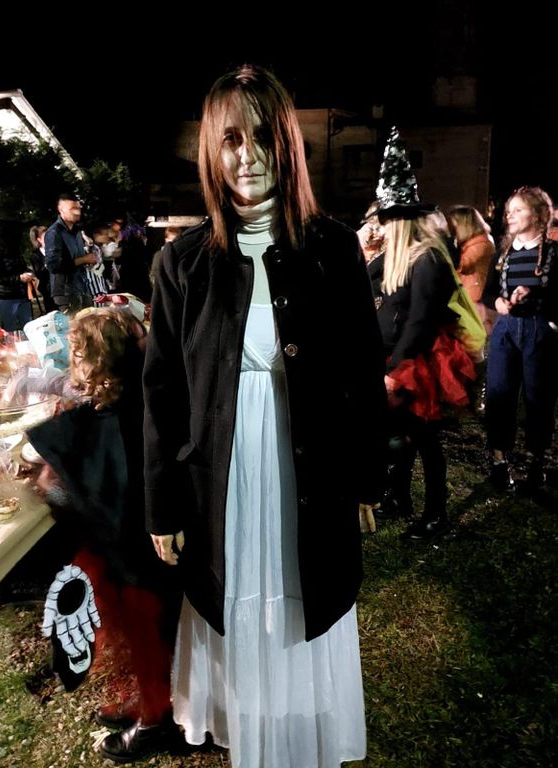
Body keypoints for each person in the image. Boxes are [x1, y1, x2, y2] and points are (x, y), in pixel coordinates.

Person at [143, 64, 388, 768]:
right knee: (236, 595)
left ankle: (294, 731)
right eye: (230, 140)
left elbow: (362, 371)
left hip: (308, 466)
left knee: (302, 590)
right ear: (211, 151)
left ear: (286, 143)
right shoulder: (181, 263)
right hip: (221, 476)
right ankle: (250, 728)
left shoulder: (333, 248)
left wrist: (367, 476)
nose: (247, 156)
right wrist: (163, 506)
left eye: (261, 137)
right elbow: (162, 393)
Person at [25, 308, 183, 762]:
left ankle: (156, 721)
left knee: (148, 641)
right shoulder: (147, 407)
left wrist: (46, 473)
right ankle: (153, 699)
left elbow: (59, 485)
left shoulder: (101, 423)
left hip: (134, 560)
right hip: (145, 552)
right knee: (151, 639)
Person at [367, 126, 475, 541]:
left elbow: (421, 320)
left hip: (418, 362)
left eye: (385, 221)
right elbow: (363, 282)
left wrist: (395, 371)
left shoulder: (427, 258)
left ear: (400, 222)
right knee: (396, 436)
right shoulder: (393, 257)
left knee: (425, 439)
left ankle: (436, 514)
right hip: (393, 357)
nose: (380, 227)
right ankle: (398, 497)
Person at [482, 186, 558, 493]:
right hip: (506, 331)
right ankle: (499, 461)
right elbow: (488, 292)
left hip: (539, 331)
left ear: (538, 215)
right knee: (499, 393)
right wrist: (498, 303)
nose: (510, 216)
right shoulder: (503, 254)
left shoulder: (553, 253)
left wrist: (538, 297)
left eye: (518, 210)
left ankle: (537, 462)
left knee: (538, 398)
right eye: (508, 211)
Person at [446, 205, 496, 334]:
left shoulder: (481, 244)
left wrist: (449, 243)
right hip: (469, 298)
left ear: (464, 225)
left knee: (477, 338)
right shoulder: (470, 243)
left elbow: (462, 265)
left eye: (454, 225)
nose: (451, 229)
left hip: (475, 300)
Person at [44, 193, 95, 313]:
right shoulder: (54, 233)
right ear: (61, 209)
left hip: (82, 288)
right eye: (72, 208)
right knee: (73, 325)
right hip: (65, 292)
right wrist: (84, 259)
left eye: (78, 208)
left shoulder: (77, 231)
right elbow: (53, 265)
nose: (77, 212)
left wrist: (88, 261)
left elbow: (77, 259)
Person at [0, 217, 35, 330]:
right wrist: (19, 278)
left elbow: (21, 267)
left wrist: (29, 273)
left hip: (22, 295)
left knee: (29, 328)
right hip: (6, 297)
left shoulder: (15, 250)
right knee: (9, 330)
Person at [29, 225, 57, 313]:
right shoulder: (35, 255)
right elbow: (39, 273)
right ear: (39, 240)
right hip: (48, 290)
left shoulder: (56, 250)